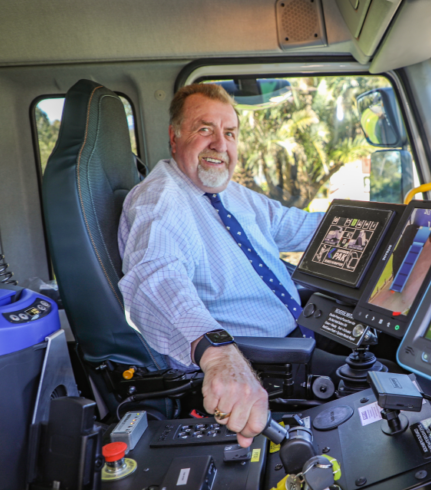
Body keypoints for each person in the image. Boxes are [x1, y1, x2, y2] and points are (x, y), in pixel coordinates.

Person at [118, 83, 324, 448]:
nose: (219, 144)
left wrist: (395, 228)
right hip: (261, 366)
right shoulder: (159, 199)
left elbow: (293, 226)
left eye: (229, 133)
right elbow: (155, 275)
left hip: (299, 338)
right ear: (174, 137)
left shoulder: (231, 193)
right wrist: (217, 353)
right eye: (204, 129)